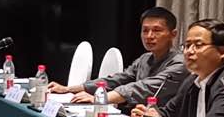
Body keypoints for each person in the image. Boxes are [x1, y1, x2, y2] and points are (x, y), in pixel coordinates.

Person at [132, 19, 224, 117]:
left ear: (223, 51)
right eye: (187, 45)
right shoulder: (192, 80)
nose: (189, 52)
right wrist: (151, 116)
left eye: (198, 45)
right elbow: (169, 113)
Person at [56, 6, 186, 108]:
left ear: (173, 34)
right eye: (145, 30)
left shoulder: (180, 64)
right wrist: (68, 89)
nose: (149, 36)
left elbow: (143, 88)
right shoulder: (145, 59)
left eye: (157, 30)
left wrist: (100, 98)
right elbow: (117, 79)